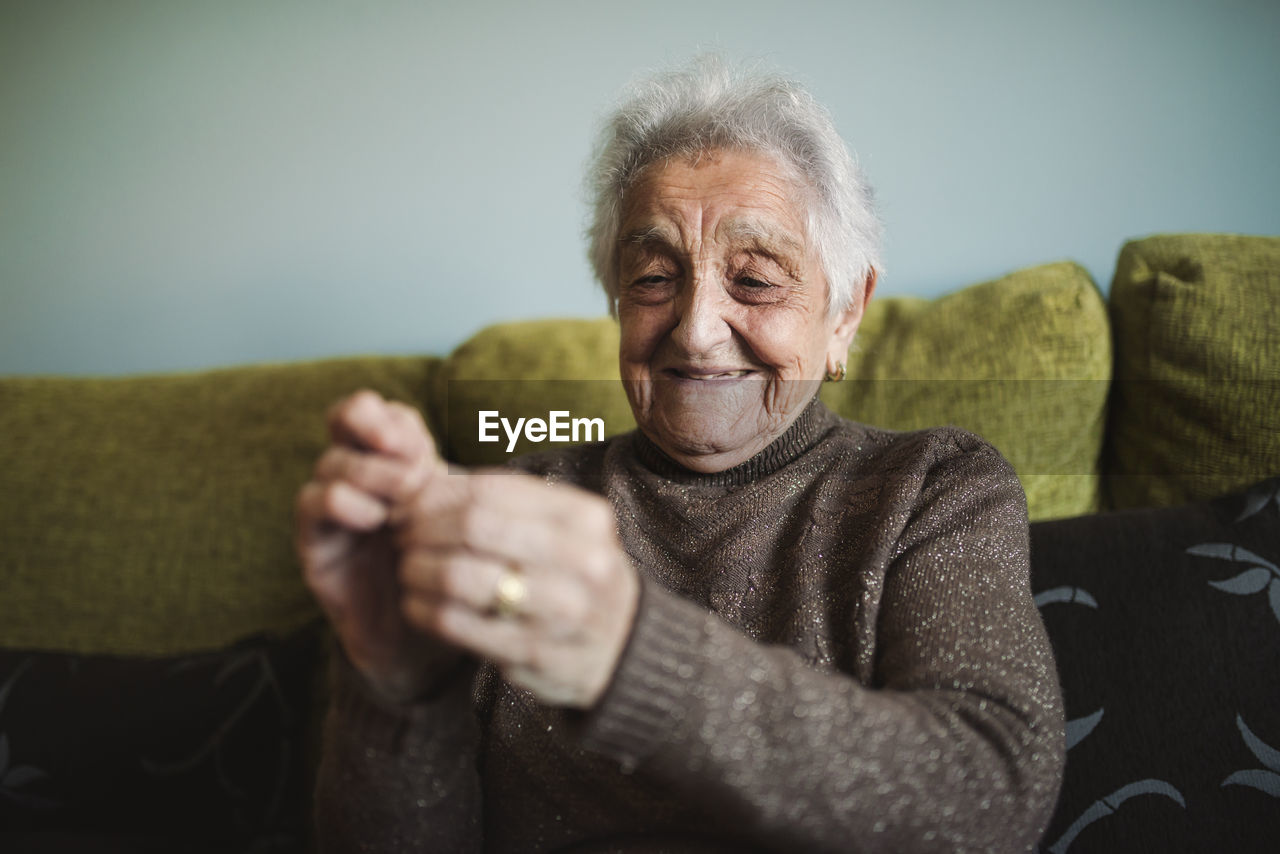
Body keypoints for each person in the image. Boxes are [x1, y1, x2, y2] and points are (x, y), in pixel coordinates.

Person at [295, 56, 1065, 853]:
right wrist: (396, 687)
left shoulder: (932, 488)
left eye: (757, 280)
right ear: (615, 301)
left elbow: (992, 791)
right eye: (655, 277)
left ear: (844, 314)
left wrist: (631, 655)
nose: (696, 329)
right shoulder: (514, 514)